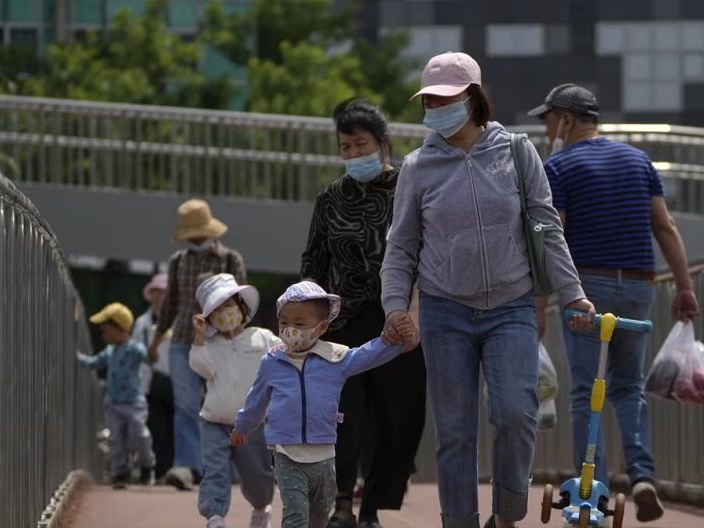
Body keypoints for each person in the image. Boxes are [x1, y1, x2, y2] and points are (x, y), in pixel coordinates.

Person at [381, 52, 596, 528]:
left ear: (473, 98)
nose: (436, 107)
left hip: (511, 305)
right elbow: (401, 247)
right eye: (429, 100)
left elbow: (546, 226)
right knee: (455, 432)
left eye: (446, 98)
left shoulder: (518, 152)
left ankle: (507, 514)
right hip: (444, 309)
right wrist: (396, 306)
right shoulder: (418, 167)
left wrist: (574, 293)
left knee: (516, 415)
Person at [528, 83, 701, 522]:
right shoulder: (639, 160)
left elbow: (553, 238)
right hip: (638, 288)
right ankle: (643, 476)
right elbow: (664, 228)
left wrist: (539, 302)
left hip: (586, 290)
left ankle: (594, 493)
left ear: (565, 118)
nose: (546, 128)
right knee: (627, 386)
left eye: (548, 118)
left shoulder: (559, 166)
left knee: (587, 392)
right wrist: (684, 288)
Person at [301, 98, 426, 528]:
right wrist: (308, 317)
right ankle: (341, 505)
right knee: (345, 417)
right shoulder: (331, 198)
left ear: (383, 142)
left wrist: (415, 311)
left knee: (397, 419)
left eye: (360, 144)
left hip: (401, 321)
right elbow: (313, 261)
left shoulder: (412, 189)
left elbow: (429, 253)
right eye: (345, 147)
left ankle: (372, 506)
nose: (353, 154)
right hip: (344, 323)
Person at [231, 281, 414, 528]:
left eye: (299, 324)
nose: (289, 330)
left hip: (324, 454)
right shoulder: (271, 362)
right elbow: (256, 399)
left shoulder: (335, 359)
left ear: (321, 327)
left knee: (318, 517)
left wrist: (393, 341)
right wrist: (242, 426)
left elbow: (367, 355)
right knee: (295, 515)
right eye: (284, 322)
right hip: (287, 452)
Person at [148, 199, 247, 490]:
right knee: (186, 406)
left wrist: (239, 341)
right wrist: (155, 341)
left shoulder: (230, 260)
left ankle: (225, 466)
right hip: (182, 340)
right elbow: (169, 306)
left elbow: (241, 306)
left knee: (222, 404)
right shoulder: (178, 261)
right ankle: (187, 466)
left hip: (220, 341)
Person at [189, 274, 276, 528]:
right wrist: (199, 338)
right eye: (217, 309)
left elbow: (285, 358)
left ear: (242, 306)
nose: (225, 313)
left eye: (229, 305)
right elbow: (200, 367)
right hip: (215, 421)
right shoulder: (209, 345)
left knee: (257, 474)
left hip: (253, 424)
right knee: (214, 470)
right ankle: (215, 516)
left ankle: (261, 506)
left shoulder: (262, 338)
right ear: (209, 316)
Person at [78, 302, 156, 488]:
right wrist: (78, 358)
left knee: (140, 434)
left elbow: (148, 357)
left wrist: (152, 352)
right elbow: (94, 362)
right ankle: (120, 473)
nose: (104, 335)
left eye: (106, 331)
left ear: (120, 329)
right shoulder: (110, 352)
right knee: (116, 439)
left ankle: (147, 465)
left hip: (133, 402)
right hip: (113, 403)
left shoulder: (133, 349)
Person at [132, 273, 175, 481]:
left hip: (177, 382)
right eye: (157, 293)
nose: (160, 298)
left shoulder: (179, 322)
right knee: (156, 430)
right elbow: (136, 353)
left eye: (164, 293)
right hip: (151, 384)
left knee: (176, 428)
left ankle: (174, 470)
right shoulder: (142, 323)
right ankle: (160, 472)